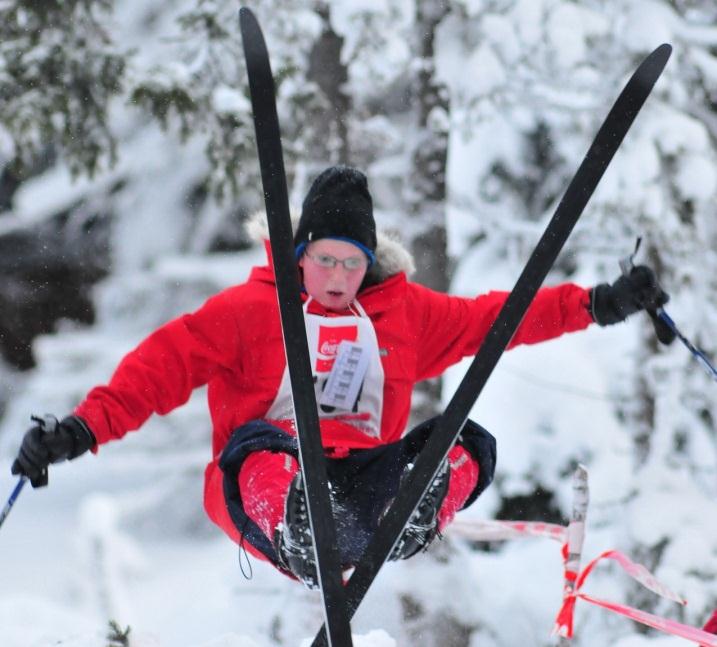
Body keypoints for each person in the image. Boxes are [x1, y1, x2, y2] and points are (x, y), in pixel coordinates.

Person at [11, 166, 669, 589]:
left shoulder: (403, 314)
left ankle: (408, 513)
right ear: (299, 255)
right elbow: (156, 371)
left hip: (363, 488)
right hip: (265, 490)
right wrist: (76, 432)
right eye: (322, 259)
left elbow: (495, 317)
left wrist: (595, 303)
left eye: (350, 263)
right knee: (258, 444)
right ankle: (300, 522)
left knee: (467, 440)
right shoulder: (248, 311)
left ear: (369, 262)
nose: (334, 278)